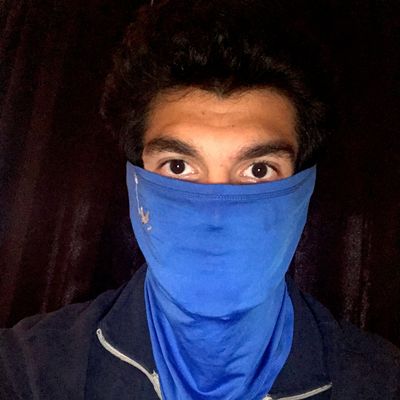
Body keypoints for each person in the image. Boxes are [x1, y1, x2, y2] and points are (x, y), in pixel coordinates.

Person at [1, 0, 399, 399]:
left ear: (303, 190)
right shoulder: (29, 370)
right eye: (178, 167)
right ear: (134, 183)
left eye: (258, 170)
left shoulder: (380, 381)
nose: (215, 212)